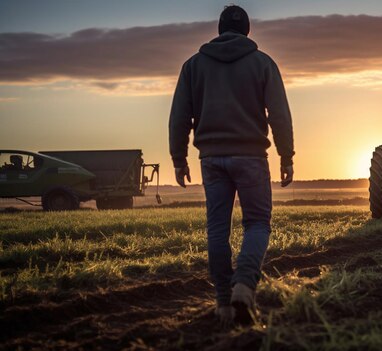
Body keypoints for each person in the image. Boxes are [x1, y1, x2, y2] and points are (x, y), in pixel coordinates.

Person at [168, 5, 295, 326]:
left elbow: (179, 118)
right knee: (257, 224)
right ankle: (243, 285)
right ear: (248, 31)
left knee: (217, 230)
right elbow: (279, 115)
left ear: (219, 29)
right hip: (251, 157)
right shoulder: (263, 63)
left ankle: (224, 305)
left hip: (211, 159)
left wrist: (179, 159)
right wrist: (287, 156)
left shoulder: (193, 66)